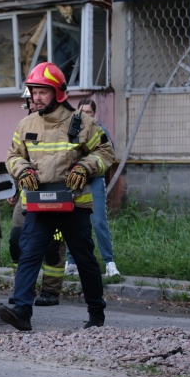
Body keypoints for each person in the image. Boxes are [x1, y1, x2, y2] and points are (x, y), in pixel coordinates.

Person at [0, 62, 115, 331]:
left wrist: (86, 167)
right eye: (33, 92)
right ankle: (22, 312)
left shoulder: (82, 123)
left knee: (84, 258)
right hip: (39, 203)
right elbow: (13, 155)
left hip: (73, 202)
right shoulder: (26, 123)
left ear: (58, 93)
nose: (36, 97)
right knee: (29, 254)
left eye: (42, 92)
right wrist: (22, 169)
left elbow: (106, 152)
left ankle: (96, 313)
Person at [7, 88, 66, 307]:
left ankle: (51, 291)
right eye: (31, 98)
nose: (35, 102)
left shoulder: (60, 125)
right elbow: (16, 158)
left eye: (40, 96)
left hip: (55, 194)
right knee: (16, 241)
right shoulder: (25, 126)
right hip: (27, 196)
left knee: (54, 244)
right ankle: (24, 287)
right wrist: (14, 190)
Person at [65, 98, 120, 277]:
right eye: (83, 112)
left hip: (94, 181)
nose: (86, 116)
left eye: (89, 112)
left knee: (98, 222)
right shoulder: (72, 130)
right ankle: (71, 263)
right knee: (71, 222)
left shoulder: (100, 131)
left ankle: (109, 263)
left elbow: (109, 155)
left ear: (94, 114)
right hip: (74, 183)